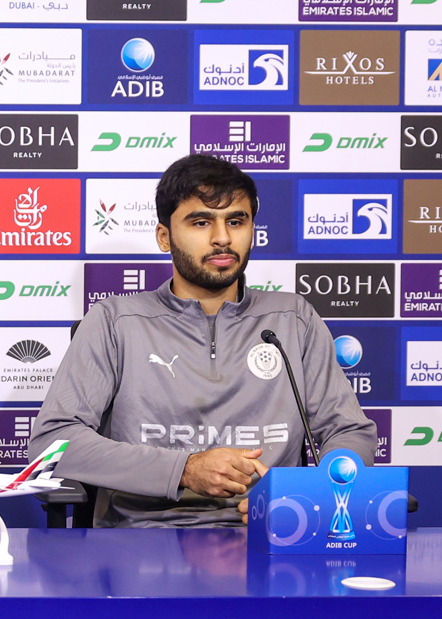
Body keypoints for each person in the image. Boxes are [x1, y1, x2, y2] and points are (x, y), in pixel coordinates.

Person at [30, 154, 376, 527]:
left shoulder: (294, 319)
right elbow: (54, 442)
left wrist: (305, 496)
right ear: (164, 236)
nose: (222, 238)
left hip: (268, 532)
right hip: (142, 538)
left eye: (236, 221)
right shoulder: (114, 322)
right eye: (201, 222)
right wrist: (184, 469)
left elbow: (349, 432)